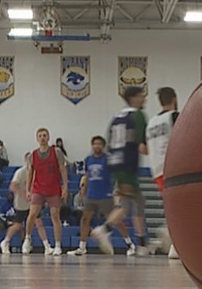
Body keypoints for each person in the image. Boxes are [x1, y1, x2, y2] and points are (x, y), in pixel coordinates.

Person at [92, 86, 150, 256]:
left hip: (116, 164)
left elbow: (110, 143)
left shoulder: (116, 118)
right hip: (127, 165)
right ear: (133, 98)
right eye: (141, 96)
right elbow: (143, 146)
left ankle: (141, 243)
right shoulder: (138, 116)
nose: (144, 99)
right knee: (127, 206)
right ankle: (105, 229)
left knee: (135, 202)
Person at [69, 136, 129, 256]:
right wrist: (83, 192)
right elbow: (87, 177)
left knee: (115, 220)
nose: (97, 146)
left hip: (105, 195)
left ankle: (129, 244)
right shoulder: (88, 160)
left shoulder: (108, 159)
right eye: (95, 144)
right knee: (85, 220)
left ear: (103, 146)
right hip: (91, 195)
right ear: (92, 146)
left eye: (99, 144)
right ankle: (82, 247)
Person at [146, 86, 181, 259]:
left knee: (173, 208)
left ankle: (172, 239)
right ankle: (173, 241)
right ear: (174, 98)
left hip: (156, 169)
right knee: (182, 207)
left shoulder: (151, 123)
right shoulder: (174, 117)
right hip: (173, 166)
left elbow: (144, 148)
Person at [24, 127, 68, 256]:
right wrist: (28, 190)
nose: (42, 138)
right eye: (40, 136)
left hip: (53, 188)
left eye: (45, 135)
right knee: (32, 214)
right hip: (38, 188)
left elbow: (63, 170)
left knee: (55, 215)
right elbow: (30, 174)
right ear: (37, 139)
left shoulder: (57, 152)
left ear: (48, 137)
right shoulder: (33, 155)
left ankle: (58, 245)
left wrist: (65, 185)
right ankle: (27, 238)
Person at [0, 153, 50, 255]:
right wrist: (24, 195)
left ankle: (47, 246)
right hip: (21, 203)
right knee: (18, 225)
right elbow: (12, 186)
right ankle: (5, 242)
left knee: (38, 222)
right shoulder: (21, 172)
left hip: (33, 203)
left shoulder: (37, 172)